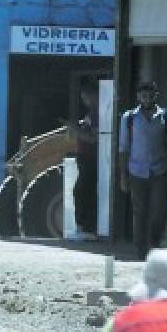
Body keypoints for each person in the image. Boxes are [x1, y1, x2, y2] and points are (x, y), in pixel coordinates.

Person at [118, 80, 167, 260]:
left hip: (159, 171)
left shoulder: (166, 117)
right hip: (136, 172)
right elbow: (123, 148)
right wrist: (123, 175)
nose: (146, 99)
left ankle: (154, 241)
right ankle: (141, 251)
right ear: (138, 97)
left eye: (149, 95)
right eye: (142, 95)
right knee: (140, 211)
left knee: (160, 209)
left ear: (155, 96)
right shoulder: (129, 118)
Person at [69, 80, 99, 240]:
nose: (83, 99)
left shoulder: (96, 113)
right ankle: (84, 227)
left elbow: (93, 138)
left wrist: (75, 130)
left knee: (82, 191)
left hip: (90, 158)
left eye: (84, 95)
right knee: (81, 190)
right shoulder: (91, 113)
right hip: (85, 158)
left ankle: (87, 227)